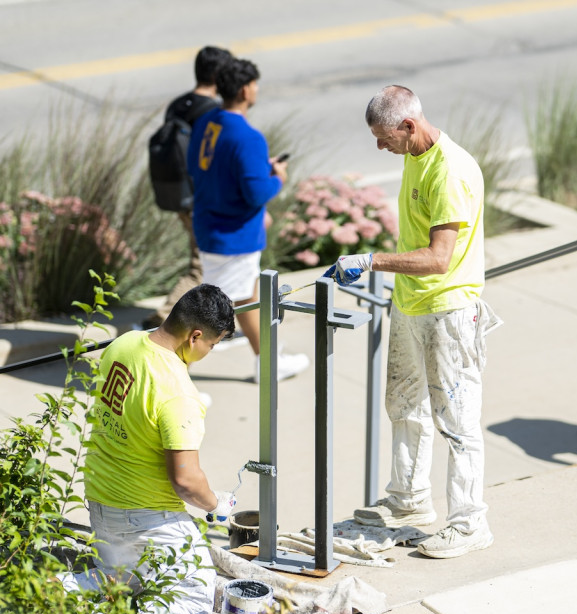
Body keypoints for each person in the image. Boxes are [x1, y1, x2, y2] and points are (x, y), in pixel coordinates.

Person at [328, 85, 500, 559]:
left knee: (458, 421)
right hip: (410, 306)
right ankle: (408, 502)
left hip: (447, 312)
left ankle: (469, 523)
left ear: (409, 126)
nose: (380, 148)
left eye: (384, 138)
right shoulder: (414, 154)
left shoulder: (450, 172)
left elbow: (440, 258)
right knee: (404, 405)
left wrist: (370, 262)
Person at [83, 284, 237, 614]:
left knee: (118, 578)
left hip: (100, 498)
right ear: (194, 335)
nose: (209, 352)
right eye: (211, 345)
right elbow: (185, 480)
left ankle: (48, 591)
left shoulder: (124, 343)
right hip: (145, 514)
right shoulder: (178, 393)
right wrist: (216, 505)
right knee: (195, 597)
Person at [187, 57, 308, 383]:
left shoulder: (207, 122)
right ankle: (172, 377)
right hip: (234, 237)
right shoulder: (248, 137)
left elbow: (200, 167)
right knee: (211, 314)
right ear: (244, 89)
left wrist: (253, 171)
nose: (256, 89)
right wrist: (278, 177)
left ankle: (267, 363)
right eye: (254, 84)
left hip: (210, 225)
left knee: (246, 298)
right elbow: (257, 194)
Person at [141, 46, 234, 331]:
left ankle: (212, 322)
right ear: (220, 75)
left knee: (206, 259)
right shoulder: (214, 112)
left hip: (177, 191)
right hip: (200, 197)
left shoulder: (178, 104)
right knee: (202, 265)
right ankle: (165, 318)